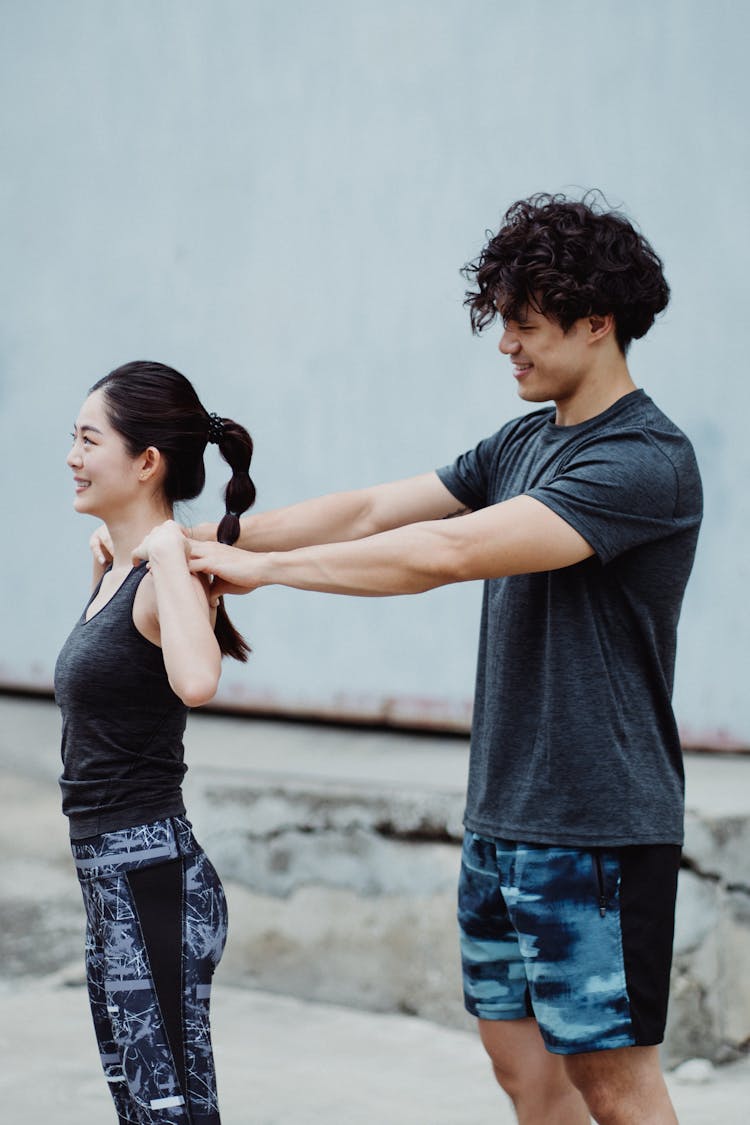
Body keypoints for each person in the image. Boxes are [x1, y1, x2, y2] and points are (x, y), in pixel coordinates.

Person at [171, 192, 703, 1124]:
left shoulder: (643, 462)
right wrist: (195, 540)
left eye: (525, 323)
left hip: (598, 827)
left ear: (598, 320)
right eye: (501, 321)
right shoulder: (527, 442)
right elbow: (375, 511)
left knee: (614, 1087)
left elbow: (445, 554)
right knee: (522, 1072)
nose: (505, 343)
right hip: (504, 812)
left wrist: (265, 569)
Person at [56, 360, 256, 1125]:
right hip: (113, 881)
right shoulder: (118, 568)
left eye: (88, 439)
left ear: (147, 461)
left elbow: (197, 679)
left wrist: (169, 554)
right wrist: (126, 556)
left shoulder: (164, 570)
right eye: (71, 439)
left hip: (152, 879)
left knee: (173, 1113)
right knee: (144, 1110)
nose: (73, 457)